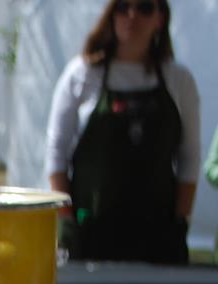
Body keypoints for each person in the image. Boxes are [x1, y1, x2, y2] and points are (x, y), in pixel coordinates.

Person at [45, 0, 200, 264]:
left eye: (144, 8)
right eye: (123, 7)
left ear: (160, 18)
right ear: (111, 15)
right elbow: (55, 157)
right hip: (92, 236)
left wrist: (179, 221)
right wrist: (68, 223)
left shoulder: (178, 79)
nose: (132, 16)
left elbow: (190, 157)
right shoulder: (82, 74)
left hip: (158, 239)